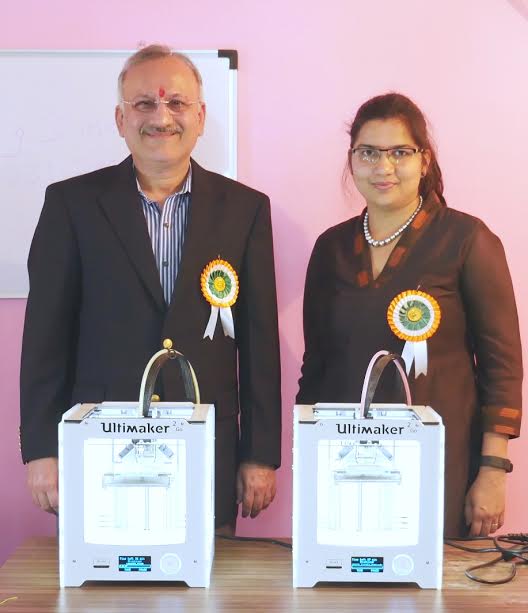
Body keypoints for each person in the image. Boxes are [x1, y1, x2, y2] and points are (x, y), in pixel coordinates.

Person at [20, 45, 281, 533]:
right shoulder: (71, 205)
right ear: (121, 119)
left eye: (176, 103)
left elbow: (259, 345)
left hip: (208, 451)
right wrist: (41, 449)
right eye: (144, 104)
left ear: (200, 117)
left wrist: (260, 454)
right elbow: (44, 341)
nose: (161, 117)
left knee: (208, 579)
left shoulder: (245, 210)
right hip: (101, 448)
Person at [297, 92, 522, 537]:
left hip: (441, 458)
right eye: (368, 153)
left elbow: (502, 366)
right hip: (346, 459)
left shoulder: (467, 239)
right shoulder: (331, 248)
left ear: (424, 160)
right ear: (352, 161)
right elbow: (316, 365)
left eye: (400, 152)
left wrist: (493, 470)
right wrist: (306, 457)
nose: (383, 167)